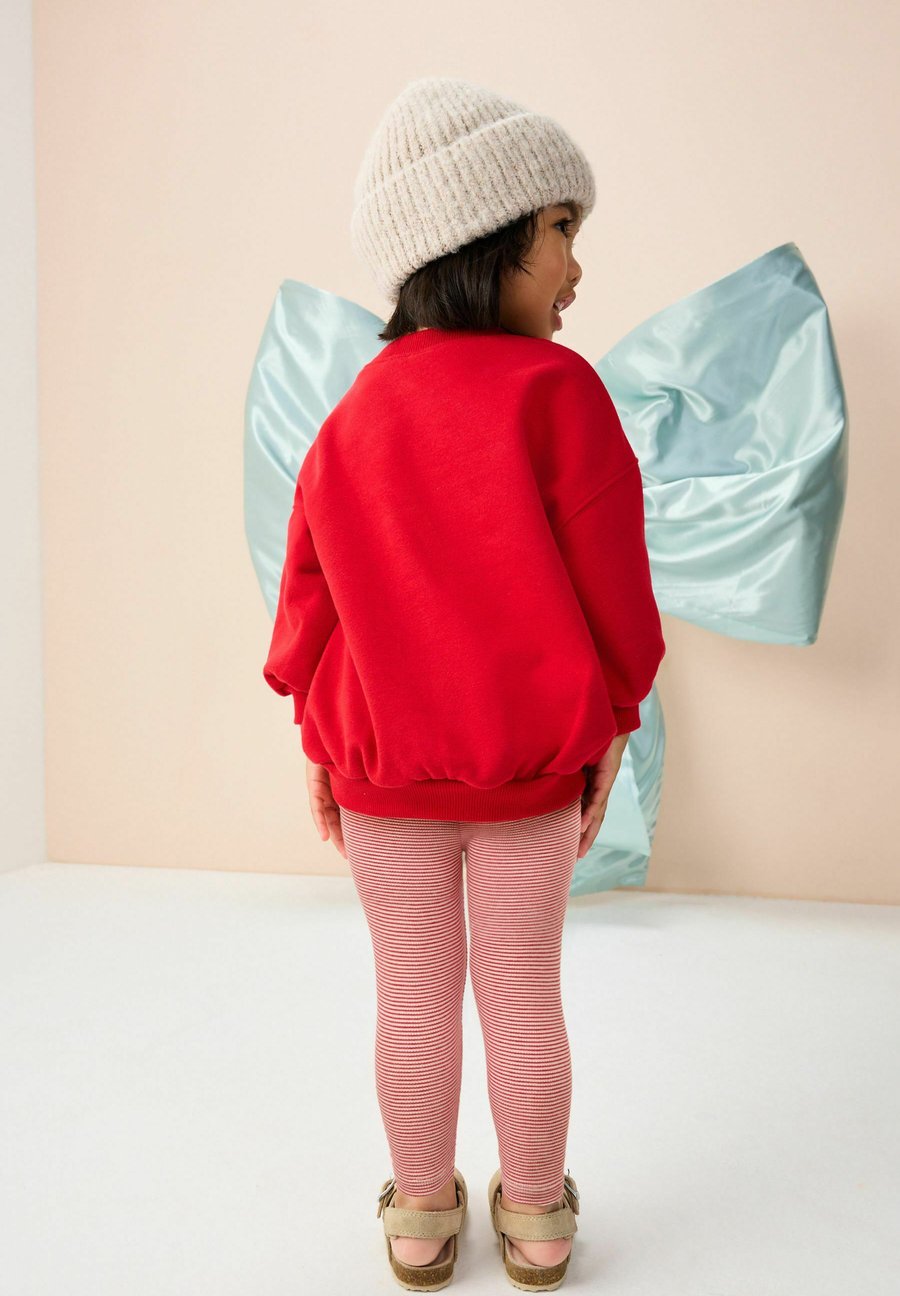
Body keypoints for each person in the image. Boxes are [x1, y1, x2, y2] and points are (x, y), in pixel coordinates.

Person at [263, 75, 666, 1290]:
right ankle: (536, 1219)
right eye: (562, 230)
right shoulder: (560, 394)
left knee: (411, 991)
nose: (578, 268)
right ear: (485, 238)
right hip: (528, 769)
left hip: (384, 772)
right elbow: (615, 595)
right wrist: (614, 721)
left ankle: (423, 1216)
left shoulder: (354, 414)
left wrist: (324, 744)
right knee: (523, 986)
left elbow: (306, 608)